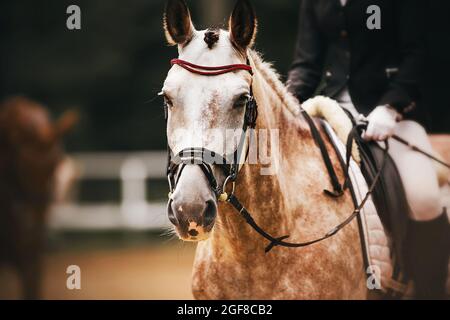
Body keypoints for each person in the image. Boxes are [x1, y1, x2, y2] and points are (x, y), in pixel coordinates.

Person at [287, 0, 449, 299]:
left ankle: (431, 290)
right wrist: (286, 104)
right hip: (332, 108)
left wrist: (392, 106)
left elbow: (417, 54)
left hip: (393, 113)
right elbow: (306, 64)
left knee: (423, 195)